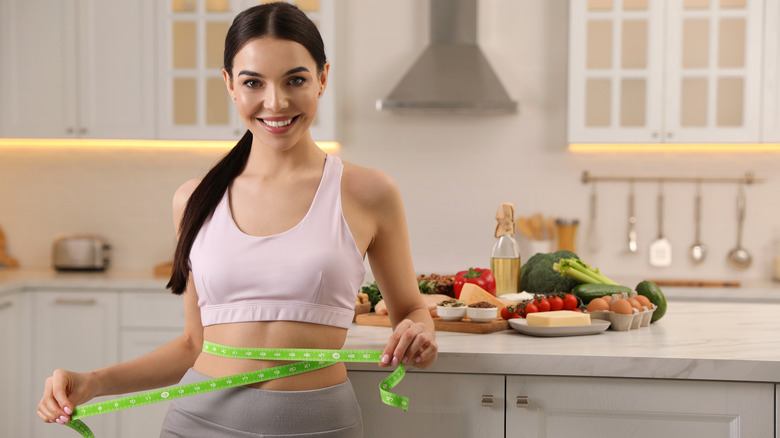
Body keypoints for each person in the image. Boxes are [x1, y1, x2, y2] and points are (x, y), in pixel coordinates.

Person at [36, 3, 437, 436]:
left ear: (322, 78)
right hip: (196, 422)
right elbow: (193, 344)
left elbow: (411, 308)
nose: (275, 102)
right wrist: (94, 382)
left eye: (295, 79)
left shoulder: (368, 192)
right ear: (229, 84)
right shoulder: (194, 199)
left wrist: (419, 332)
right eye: (253, 82)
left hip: (319, 425)